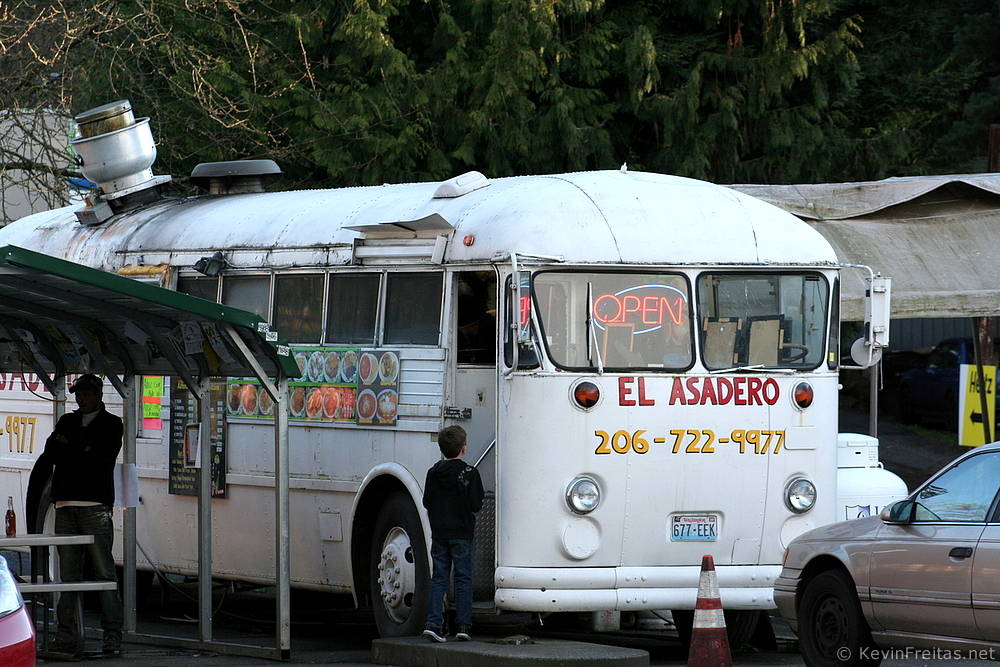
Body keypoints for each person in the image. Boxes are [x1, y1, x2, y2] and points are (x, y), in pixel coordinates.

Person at [44, 373, 124, 658]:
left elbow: (100, 458)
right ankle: (67, 634)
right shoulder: (67, 420)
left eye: (87, 394)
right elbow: (52, 453)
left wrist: (70, 447)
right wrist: (80, 449)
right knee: (68, 574)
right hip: (66, 504)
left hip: (94, 505)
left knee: (103, 571)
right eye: (79, 394)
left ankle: (112, 634)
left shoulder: (112, 424)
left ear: (99, 395)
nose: (81, 399)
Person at [422, 425, 484, 642]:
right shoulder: (470, 473)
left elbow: (427, 502)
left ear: (442, 449)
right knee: (463, 577)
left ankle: (433, 624)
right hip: (462, 533)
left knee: (439, 577)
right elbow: (476, 504)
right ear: (464, 449)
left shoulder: (433, 473)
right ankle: (463, 626)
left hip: (439, 533)